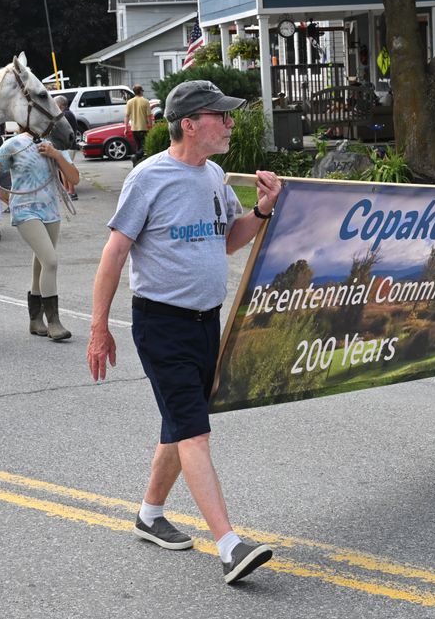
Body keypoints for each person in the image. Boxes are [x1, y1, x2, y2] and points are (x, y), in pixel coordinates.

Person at [87, 79, 282, 585]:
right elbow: (114, 254)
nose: (230, 123)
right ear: (190, 123)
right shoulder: (149, 178)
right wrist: (98, 327)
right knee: (195, 430)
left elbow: (228, 242)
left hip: (204, 322)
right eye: (221, 115)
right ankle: (229, 544)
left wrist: (261, 210)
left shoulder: (214, 175)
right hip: (161, 323)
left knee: (179, 422)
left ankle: (150, 514)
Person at [0, 128, 79, 341]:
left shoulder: (53, 142)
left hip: (51, 210)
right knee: (50, 261)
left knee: (41, 264)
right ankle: (54, 322)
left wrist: (56, 154)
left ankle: (35, 320)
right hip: (25, 209)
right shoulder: (13, 144)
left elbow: (74, 178)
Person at [54, 96, 81, 199]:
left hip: (68, 146)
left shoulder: (65, 115)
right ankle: (67, 191)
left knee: (67, 169)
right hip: (66, 146)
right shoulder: (67, 113)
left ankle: (72, 192)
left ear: (60, 105)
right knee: (63, 169)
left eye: (54, 104)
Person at [124, 85, 152, 162]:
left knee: (138, 146)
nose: (143, 92)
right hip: (143, 128)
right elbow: (149, 116)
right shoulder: (145, 101)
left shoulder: (129, 102)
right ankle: (136, 156)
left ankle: (137, 163)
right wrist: (150, 125)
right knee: (145, 146)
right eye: (142, 91)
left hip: (134, 128)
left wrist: (126, 128)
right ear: (140, 91)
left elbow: (126, 116)